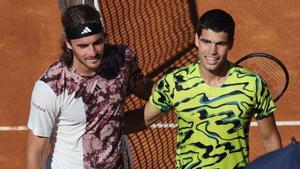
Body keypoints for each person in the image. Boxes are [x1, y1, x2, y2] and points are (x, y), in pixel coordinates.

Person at [144, 9, 282, 168]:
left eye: (220, 44)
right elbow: (143, 120)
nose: (212, 51)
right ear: (196, 40)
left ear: (231, 44)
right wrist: (108, 120)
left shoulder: (252, 84)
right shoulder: (175, 82)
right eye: (206, 42)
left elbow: (269, 137)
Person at [26, 4, 153, 169]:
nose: (92, 52)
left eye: (97, 42)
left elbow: (143, 88)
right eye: (83, 46)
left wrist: (175, 88)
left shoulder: (121, 60)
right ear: (69, 44)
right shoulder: (51, 86)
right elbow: (36, 153)